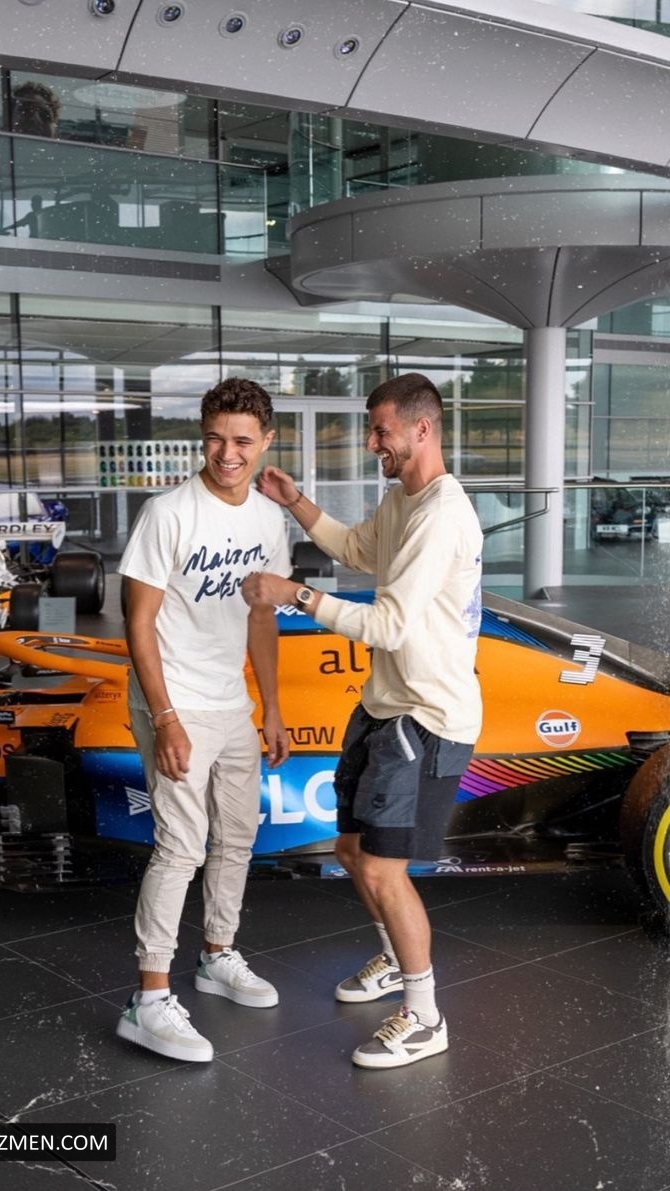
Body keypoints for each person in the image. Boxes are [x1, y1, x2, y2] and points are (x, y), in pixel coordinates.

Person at [242, 372, 483, 1070]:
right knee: (351, 851)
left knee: (382, 867)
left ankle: (425, 1016)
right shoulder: (403, 498)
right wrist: (296, 503)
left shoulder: (442, 515)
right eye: (373, 429)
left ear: (421, 429)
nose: (372, 441)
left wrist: (294, 595)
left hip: (428, 716)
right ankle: (394, 960)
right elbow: (357, 549)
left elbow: (387, 624)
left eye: (382, 430)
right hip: (383, 704)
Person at [116, 376, 291, 1063]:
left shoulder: (268, 519)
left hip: (230, 701)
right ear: (202, 436)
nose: (227, 453)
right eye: (215, 438)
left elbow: (261, 617)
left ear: (266, 441)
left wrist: (272, 707)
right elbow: (138, 623)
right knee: (181, 846)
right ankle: (149, 998)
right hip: (175, 698)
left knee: (237, 835)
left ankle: (217, 955)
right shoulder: (168, 513)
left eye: (242, 440)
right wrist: (164, 717)